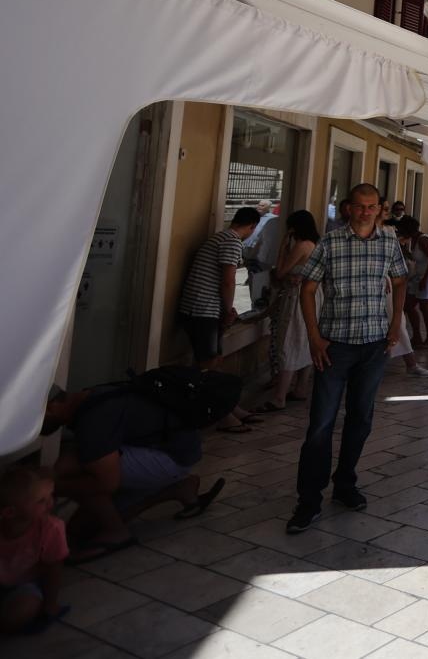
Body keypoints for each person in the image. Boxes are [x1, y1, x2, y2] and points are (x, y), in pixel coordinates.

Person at [287, 183, 409, 534]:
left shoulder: (389, 241)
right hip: (334, 346)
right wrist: (313, 337)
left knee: (361, 419)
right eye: (360, 206)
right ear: (347, 208)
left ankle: (344, 484)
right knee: (321, 423)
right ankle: (308, 499)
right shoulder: (330, 242)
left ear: (380, 209)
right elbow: (307, 288)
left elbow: (400, 281)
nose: (366, 212)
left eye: (372, 206)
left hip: (373, 346)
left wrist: (395, 325)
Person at [43, 383, 225, 561]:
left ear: (51, 407)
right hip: (180, 448)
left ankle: (116, 532)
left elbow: (106, 483)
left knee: (79, 476)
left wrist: (53, 487)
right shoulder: (90, 395)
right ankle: (178, 488)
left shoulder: (92, 417)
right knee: (80, 527)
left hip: (173, 457)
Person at [175, 206, 261, 434]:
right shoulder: (232, 242)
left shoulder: (221, 238)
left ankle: (229, 408)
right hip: (203, 310)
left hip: (200, 309)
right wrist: (228, 310)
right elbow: (228, 280)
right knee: (208, 364)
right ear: (252, 227)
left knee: (212, 361)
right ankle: (222, 414)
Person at [257, 210, 319, 413]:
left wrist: (283, 247)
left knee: (289, 341)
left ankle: (279, 396)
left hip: (296, 299)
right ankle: (300, 388)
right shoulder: (315, 245)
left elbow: (281, 271)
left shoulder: (301, 246)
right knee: (305, 341)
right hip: (313, 298)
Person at [0, 464, 66, 632]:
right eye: (41, 501)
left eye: (50, 496)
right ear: (9, 513)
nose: (50, 503)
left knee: (24, 610)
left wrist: (51, 605)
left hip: (25, 584)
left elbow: (54, 569)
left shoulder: (51, 528)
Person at [396, 216, 428, 348]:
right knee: (408, 306)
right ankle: (417, 337)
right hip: (420, 277)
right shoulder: (414, 239)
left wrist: (425, 280)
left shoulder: (422, 239)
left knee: (425, 308)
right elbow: (418, 258)